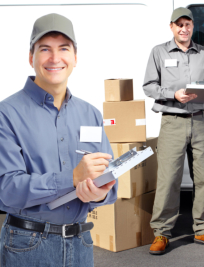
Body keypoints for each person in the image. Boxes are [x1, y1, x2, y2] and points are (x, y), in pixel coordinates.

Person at [0, 13, 117, 266]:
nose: (55, 58)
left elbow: (110, 185)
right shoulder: (6, 113)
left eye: (64, 48)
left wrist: (97, 193)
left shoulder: (90, 114)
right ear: (31, 57)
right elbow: (6, 190)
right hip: (27, 246)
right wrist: (72, 178)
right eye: (45, 49)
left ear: (75, 57)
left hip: (81, 242)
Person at [143, 7, 204, 255]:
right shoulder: (159, 52)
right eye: (179, 24)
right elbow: (149, 86)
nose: (184, 29)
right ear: (171, 27)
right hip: (172, 121)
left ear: (192, 26)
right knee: (169, 179)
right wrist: (173, 94)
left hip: (200, 121)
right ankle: (161, 233)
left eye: (188, 24)